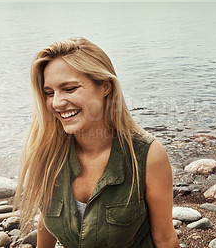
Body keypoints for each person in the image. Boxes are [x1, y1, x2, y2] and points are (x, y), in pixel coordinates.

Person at [15, 37, 180, 248]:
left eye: (70, 88)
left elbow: (165, 239)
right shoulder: (48, 154)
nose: (56, 103)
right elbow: (46, 224)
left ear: (105, 87)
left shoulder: (147, 155)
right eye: (49, 93)